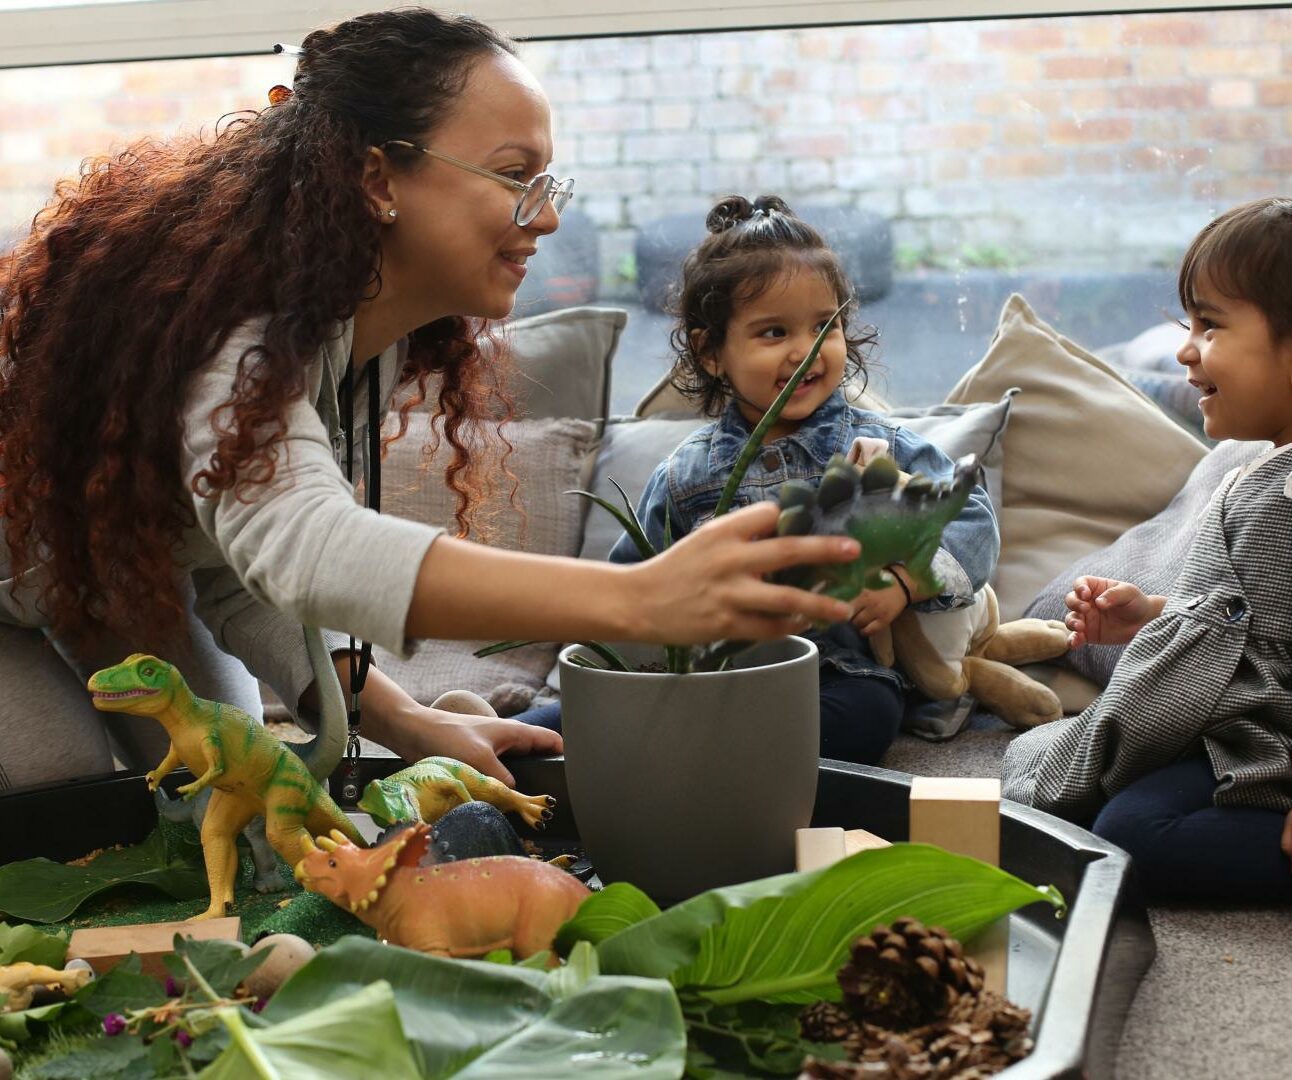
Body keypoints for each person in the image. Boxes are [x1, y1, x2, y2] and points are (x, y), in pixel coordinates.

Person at [0, 11, 861, 794]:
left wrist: (411, 723)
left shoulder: (349, 343)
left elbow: (235, 570)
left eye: (548, 182)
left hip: (109, 581)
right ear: (378, 177)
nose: (548, 218)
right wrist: (640, 599)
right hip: (24, 585)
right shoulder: (240, 327)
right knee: (54, 793)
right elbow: (304, 547)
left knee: (235, 801)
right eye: (514, 174)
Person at [517, 195, 999, 765]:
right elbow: (630, 586)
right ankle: (498, 734)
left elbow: (969, 517)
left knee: (868, 713)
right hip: (702, 673)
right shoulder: (686, 475)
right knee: (562, 722)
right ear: (712, 351)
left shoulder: (881, 448)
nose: (805, 351)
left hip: (831, 671)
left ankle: (695, 752)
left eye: (825, 326)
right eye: (773, 332)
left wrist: (901, 582)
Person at [1002, 197, 1292, 903]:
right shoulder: (1258, 469)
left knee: (1138, 838)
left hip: (1275, 748)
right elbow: (1257, 614)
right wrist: (1157, 615)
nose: (1185, 350)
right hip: (1234, 729)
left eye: (1211, 325)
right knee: (1099, 808)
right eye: (1187, 325)